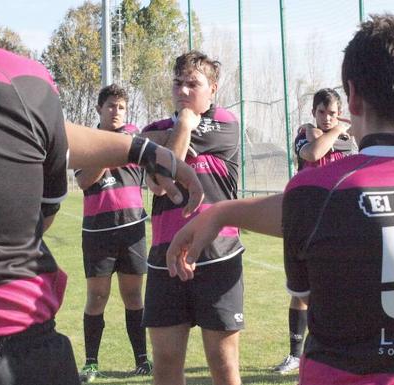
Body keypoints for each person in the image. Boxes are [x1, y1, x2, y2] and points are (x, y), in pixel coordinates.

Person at [166, 14, 394, 385]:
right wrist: (223, 211)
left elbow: (311, 209)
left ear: (352, 98)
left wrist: (220, 213)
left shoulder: (323, 188)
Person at [0, 2, 202, 384]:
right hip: (6, 348)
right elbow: (45, 210)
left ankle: (135, 357)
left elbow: (56, 136)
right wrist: (145, 150)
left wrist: (140, 148)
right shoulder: (20, 79)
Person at [141, 51, 244, 385]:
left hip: (219, 255)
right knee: (167, 364)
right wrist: (182, 128)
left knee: (223, 363)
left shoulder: (226, 123)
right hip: (163, 259)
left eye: (193, 84)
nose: (183, 91)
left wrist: (177, 133)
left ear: (212, 89)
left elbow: (164, 161)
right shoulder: (153, 129)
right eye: (178, 83)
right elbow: (159, 184)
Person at [274, 87, 354, 374]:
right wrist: (333, 132)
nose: (328, 118)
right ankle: (295, 355)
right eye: (322, 112)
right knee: (301, 290)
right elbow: (315, 151)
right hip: (307, 220)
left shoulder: (351, 141)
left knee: (342, 290)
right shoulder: (303, 134)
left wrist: (343, 132)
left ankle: (341, 352)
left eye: (333, 113)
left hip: (341, 223)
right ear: (313, 112)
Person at [75, 84, 151, 382]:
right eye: (110, 106)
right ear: (99, 109)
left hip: (132, 229)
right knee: (97, 297)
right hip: (97, 232)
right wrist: (109, 149)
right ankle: (91, 363)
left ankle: (142, 362)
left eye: (121, 107)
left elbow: (153, 171)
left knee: (133, 295)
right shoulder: (86, 142)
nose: (116, 112)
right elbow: (83, 181)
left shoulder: (134, 139)